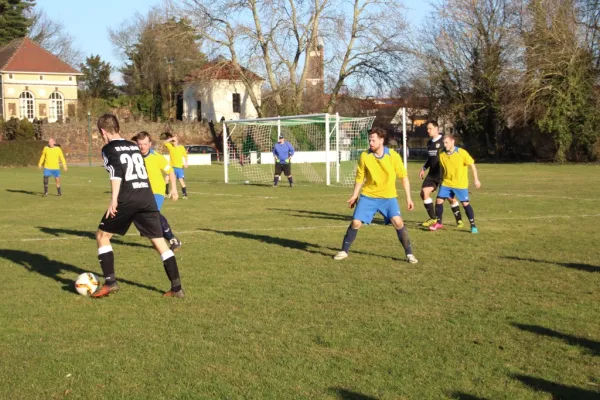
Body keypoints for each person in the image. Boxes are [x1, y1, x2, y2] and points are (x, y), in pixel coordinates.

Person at [92, 114, 184, 298]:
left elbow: (116, 173)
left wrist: (114, 199)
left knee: (102, 236)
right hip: (146, 196)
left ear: (103, 131)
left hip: (128, 197)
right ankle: (177, 288)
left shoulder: (108, 148)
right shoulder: (133, 147)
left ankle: (110, 283)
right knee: (159, 241)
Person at [333, 127, 418, 264]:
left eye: (373, 140)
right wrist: (355, 195)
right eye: (369, 140)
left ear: (381, 140)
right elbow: (360, 177)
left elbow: (403, 177)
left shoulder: (393, 156)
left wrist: (409, 198)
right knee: (356, 222)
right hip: (369, 195)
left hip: (388, 197)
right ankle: (344, 251)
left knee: (398, 222)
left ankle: (409, 254)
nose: (370, 143)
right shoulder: (365, 156)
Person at [132, 131, 182, 252]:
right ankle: (148, 229)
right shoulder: (134, 157)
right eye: (139, 144)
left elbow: (170, 171)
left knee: (153, 214)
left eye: (144, 144)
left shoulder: (156, 157)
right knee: (141, 214)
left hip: (157, 191)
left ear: (150, 144)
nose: (142, 146)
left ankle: (172, 239)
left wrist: (174, 189)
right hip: (142, 192)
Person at [429, 133, 481, 234]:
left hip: (460, 184)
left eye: (447, 143)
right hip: (446, 182)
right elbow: (442, 168)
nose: (445, 145)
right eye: (444, 143)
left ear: (453, 142)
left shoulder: (461, 152)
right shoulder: (441, 154)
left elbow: (472, 165)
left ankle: (473, 225)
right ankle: (438, 223)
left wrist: (476, 179)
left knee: (465, 203)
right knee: (439, 200)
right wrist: (440, 180)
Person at [419, 121, 464, 228]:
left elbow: (451, 154)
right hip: (433, 174)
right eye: (427, 129)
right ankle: (434, 218)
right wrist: (424, 168)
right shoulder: (429, 143)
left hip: (444, 174)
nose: (428, 130)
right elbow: (430, 158)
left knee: (450, 198)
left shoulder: (444, 141)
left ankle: (459, 220)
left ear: (436, 129)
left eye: (430, 128)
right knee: (424, 193)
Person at [162, 133, 189, 199]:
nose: (173, 142)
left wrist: (186, 163)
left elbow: (185, 156)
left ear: (177, 141)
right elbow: (164, 142)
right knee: (166, 179)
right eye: (172, 141)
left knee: (181, 181)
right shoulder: (170, 146)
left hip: (179, 167)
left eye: (174, 140)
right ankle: (166, 193)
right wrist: (171, 138)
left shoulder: (181, 147)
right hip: (171, 167)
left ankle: (184, 195)